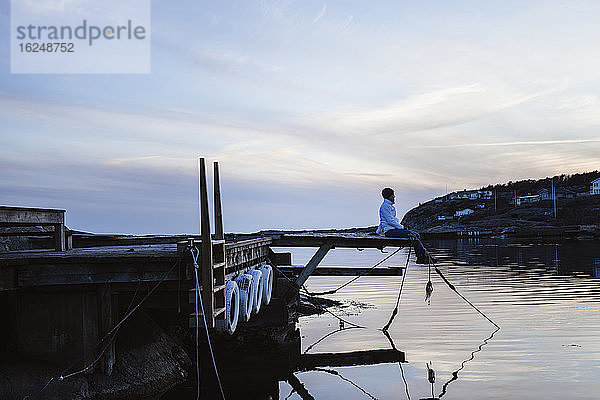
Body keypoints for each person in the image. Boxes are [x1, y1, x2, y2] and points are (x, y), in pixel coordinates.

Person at [376, 187, 433, 264]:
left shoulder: (388, 206)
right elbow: (390, 221)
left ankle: (424, 256)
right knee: (415, 235)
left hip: (393, 230)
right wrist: (402, 227)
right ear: (389, 196)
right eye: (393, 195)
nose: (394, 197)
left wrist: (378, 232)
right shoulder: (385, 206)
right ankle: (420, 258)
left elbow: (382, 221)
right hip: (391, 231)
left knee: (416, 235)